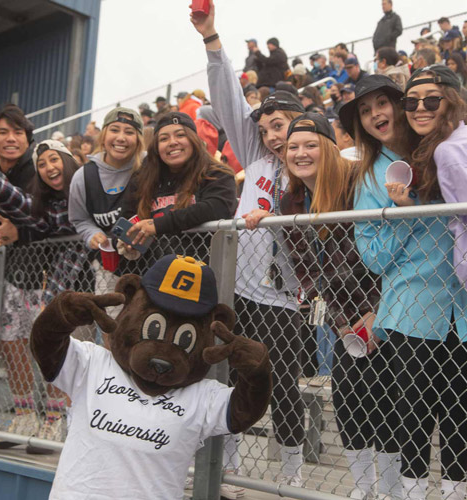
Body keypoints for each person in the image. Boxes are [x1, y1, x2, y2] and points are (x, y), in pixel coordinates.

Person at [340, 73, 467, 500]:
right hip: (412, 311)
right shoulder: (368, 178)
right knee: (414, 418)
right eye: (364, 111)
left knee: (461, 413)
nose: (376, 115)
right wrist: (406, 213)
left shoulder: (442, 152)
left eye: (382, 103)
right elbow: (374, 258)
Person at [191, 0, 307, 492]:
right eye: (264, 130)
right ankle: (230, 468)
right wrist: (212, 39)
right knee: (231, 380)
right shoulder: (257, 158)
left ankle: (293, 476)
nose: (271, 136)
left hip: (284, 299)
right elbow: (229, 101)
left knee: (284, 390)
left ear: (302, 124)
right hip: (239, 292)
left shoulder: (317, 163)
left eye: (279, 126)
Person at [280, 112, 401, 500]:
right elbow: (307, 273)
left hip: (390, 307)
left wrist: (378, 311)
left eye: (310, 144)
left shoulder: (357, 182)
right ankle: (364, 490)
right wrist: (342, 324)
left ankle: (392, 493)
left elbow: (395, 247)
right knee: (349, 404)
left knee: (388, 408)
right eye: (292, 147)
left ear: (329, 147)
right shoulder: (291, 200)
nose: (300, 153)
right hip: (345, 320)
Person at [402, 68, 467, 455]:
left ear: (452, 100)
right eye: (411, 101)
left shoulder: (450, 149)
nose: (420, 108)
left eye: (431, 99)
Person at [0, 140, 85, 440]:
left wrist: (22, 230)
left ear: (68, 162)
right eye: (42, 164)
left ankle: (57, 420)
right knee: (21, 344)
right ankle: (29, 416)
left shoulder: (83, 196)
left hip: (82, 291)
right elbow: (28, 211)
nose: (48, 168)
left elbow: (62, 230)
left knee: (64, 352)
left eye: (54, 160)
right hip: (45, 287)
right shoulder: (47, 202)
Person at [69, 107, 145, 345]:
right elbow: (79, 218)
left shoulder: (147, 171)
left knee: (142, 331)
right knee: (112, 332)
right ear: (103, 136)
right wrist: (92, 234)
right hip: (107, 267)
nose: (121, 137)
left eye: (129, 132)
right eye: (115, 130)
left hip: (147, 266)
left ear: (138, 139)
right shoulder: (84, 176)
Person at [125, 111, 236, 257]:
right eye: (164, 139)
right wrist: (126, 240)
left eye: (180, 135)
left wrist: (158, 225)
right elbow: (127, 214)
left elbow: (216, 207)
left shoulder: (217, 173)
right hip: (154, 271)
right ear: (156, 148)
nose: (172, 142)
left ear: (194, 140)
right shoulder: (144, 177)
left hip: (203, 268)